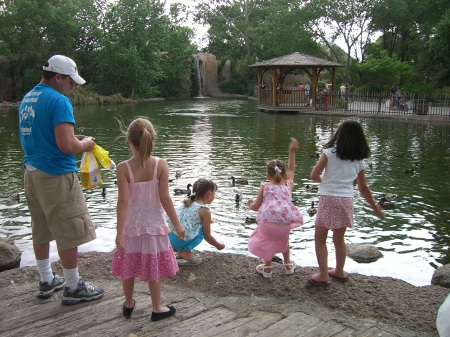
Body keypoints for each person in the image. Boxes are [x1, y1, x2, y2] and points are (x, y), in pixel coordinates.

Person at [18, 55, 104, 304]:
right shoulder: (59, 100)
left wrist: (73, 138)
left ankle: (46, 279)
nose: (73, 87)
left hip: (32, 172)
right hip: (56, 174)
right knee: (69, 228)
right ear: (58, 77)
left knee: (41, 226)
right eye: (71, 81)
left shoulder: (28, 98)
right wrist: (85, 144)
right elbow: (66, 145)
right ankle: (74, 285)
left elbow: (44, 135)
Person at [111, 117, 186, 321]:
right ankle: (156, 307)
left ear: (129, 140)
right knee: (154, 269)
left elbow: (123, 201)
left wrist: (119, 232)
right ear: (153, 139)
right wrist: (177, 223)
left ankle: (128, 303)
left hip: (131, 227)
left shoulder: (122, 168)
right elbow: (165, 197)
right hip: (154, 225)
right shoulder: (160, 165)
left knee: (129, 268)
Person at [309, 121, 385, 286]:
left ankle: (323, 275)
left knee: (320, 238)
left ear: (339, 135)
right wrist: (375, 207)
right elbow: (363, 188)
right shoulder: (359, 161)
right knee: (339, 238)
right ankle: (339, 271)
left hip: (328, 198)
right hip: (346, 200)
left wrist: (324, 180)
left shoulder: (329, 153)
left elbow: (314, 176)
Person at [247, 138, 304, 278]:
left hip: (267, 227)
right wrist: (292, 151)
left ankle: (267, 268)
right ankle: (288, 265)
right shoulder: (288, 185)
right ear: (285, 175)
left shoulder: (264, 186)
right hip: (284, 227)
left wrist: (250, 203)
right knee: (284, 239)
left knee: (267, 240)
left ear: (267, 176)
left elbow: (256, 207)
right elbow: (291, 168)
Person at [167, 178, 225, 265]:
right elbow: (207, 236)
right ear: (209, 194)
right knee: (202, 231)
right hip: (177, 240)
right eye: (214, 193)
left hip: (168, 239)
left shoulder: (187, 203)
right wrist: (219, 246)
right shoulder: (205, 211)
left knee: (192, 227)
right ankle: (185, 252)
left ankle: (177, 249)